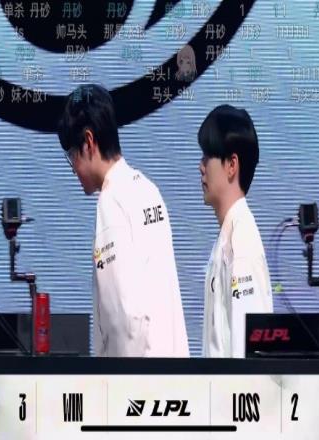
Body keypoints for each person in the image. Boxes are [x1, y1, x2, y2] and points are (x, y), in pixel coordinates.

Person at [57, 84, 189, 357]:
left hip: (137, 376)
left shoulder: (111, 201)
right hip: (174, 369)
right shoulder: (148, 189)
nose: (73, 169)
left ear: (88, 142)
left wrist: (115, 379)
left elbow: (124, 319)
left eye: (71, 155)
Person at [198, 105, 273, 358]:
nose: (201, 167)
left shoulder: (242, 242)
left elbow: (249, 354)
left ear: (231, 165)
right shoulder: (228, 236)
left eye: (208, 156)